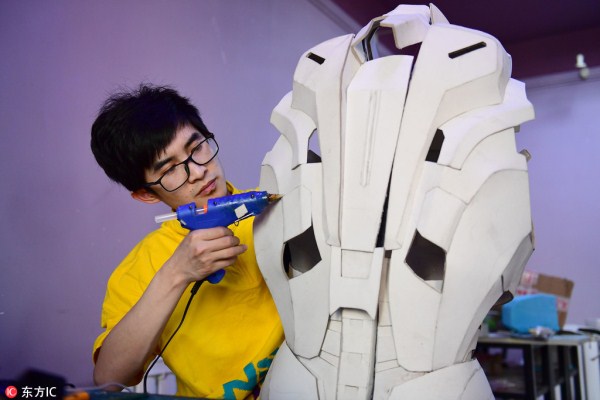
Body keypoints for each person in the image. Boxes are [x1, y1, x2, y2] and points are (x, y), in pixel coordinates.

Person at [90, 84, 284, 399]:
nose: (197, 171)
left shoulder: (273, 206)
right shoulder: (142, 265)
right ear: (146, 194)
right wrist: (177, 273)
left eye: (196, 148)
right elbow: (109, 378)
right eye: (169, 169)